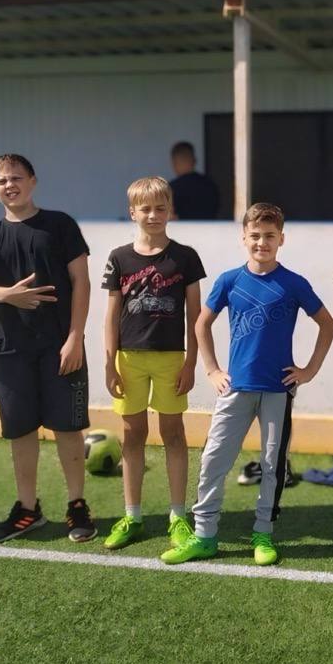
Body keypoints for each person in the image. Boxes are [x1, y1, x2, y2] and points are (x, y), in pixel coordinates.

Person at [163, 202, 333, 566]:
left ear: (281, 239)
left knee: (273, 464)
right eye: (255, 235)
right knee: (214, 459)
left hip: (277, 390)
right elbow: (201, 323)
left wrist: (308, 370)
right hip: (236, 388)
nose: (262, 242)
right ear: (243, 237)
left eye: (270, 236)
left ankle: (263, 533)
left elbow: (328, 324)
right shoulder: (229, 281)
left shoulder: (294, 283)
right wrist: (212, 369)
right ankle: (204, 535)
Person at [0, 153, 97, 544]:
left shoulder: (60, 225)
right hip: (10, 350)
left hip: (60, 347)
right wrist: (5, 295)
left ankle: (77, 505)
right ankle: (28, 509)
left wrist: (75, 337)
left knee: (68, 428)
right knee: (21, 431)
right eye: (2, 181)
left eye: (16, 178)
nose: (10, 185)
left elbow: (81, 283)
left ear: (32, 181)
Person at [100, 177, 206, 551]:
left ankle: (178, 516)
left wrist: (192, 363)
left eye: (160, 208)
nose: (153, 215)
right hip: (128, 359)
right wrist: (109, 363)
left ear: (170, 211)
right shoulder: (119, 258)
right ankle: (133, 516)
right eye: (145, 208)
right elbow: (111, 316)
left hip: (171, 359)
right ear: (132, 212)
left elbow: (196, 317)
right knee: (133, 434)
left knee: (173, 433)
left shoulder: (186, 257)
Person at [167, 141, 220, 220]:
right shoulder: (210, 185)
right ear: (194, 161)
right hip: (209, 227)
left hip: (182, 228)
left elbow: (169, 217)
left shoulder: (171, 189)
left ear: (174, 162)